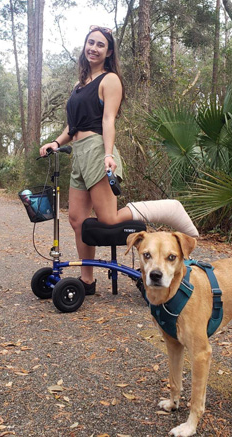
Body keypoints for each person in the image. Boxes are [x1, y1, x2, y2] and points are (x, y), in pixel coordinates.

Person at [40, 25, 198, 295]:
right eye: (91, 42)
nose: (94, 48)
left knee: (109, 217)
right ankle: (87, 281)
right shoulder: (79, 85)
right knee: (77, 219)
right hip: (78, 153)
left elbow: (108, 119)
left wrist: (109, 154)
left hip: (98, 148)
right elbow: (72, 126)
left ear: (109, 51)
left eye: (100, 45)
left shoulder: (109, 79)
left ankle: (168, 208)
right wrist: (56, 142)